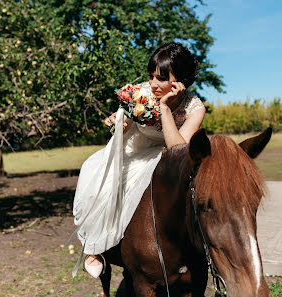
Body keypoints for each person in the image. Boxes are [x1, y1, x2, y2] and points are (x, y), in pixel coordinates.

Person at [72, 42, 206, 278]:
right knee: (95, 173)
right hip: (132, 149)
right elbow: (126, 128)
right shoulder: (141, 92)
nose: (153, 84)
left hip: (164, 156)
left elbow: (177, 149)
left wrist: (164, 108)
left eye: (162, 78)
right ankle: (95, 248)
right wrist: (119, 123)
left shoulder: (194, 108)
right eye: (151, 76)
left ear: (180, 81)